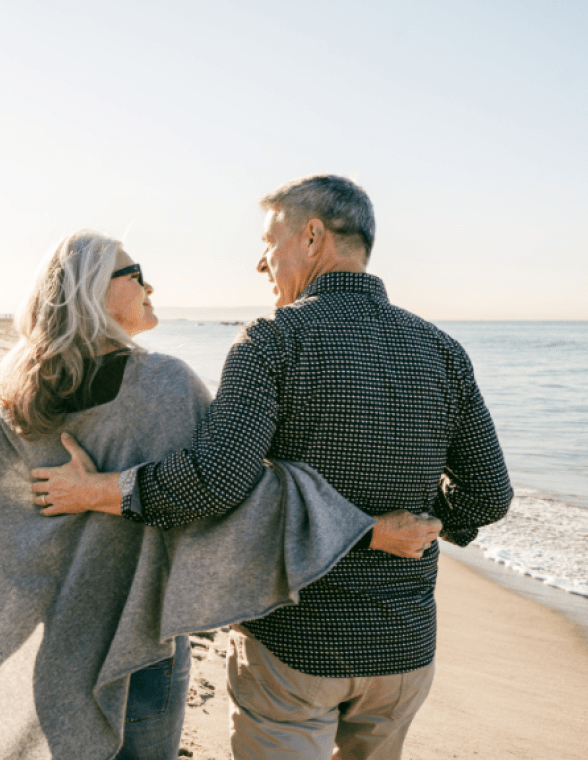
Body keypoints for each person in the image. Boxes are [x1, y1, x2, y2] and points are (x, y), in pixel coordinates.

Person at [32, 176, 513, 760]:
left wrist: (100, 491)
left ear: (312, 237)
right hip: (403, 650)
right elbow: (488, 495)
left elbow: (214, 483)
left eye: (269, 241)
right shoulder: (441, 349)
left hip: (294, 648)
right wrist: (426, 523)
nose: (262, 262)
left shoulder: (272, 340)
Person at [0, 230, 390, 760]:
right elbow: (236, 493)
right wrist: (367, 528)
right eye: (135, 274)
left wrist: (49, 542)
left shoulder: (22, 392)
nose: (149, 284)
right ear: (93, 291)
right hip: (137, 645)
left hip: (56, 642)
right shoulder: (163, 386)